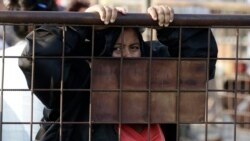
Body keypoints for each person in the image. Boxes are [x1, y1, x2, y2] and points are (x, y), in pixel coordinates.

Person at [18, 4, 218, 141]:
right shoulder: (79, 81)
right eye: (117, 48)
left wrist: (170, 25)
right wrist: (81, 23)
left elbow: (199, 63)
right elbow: (38, 56)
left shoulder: (154, 77)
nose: (127, 56)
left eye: (133, 47)